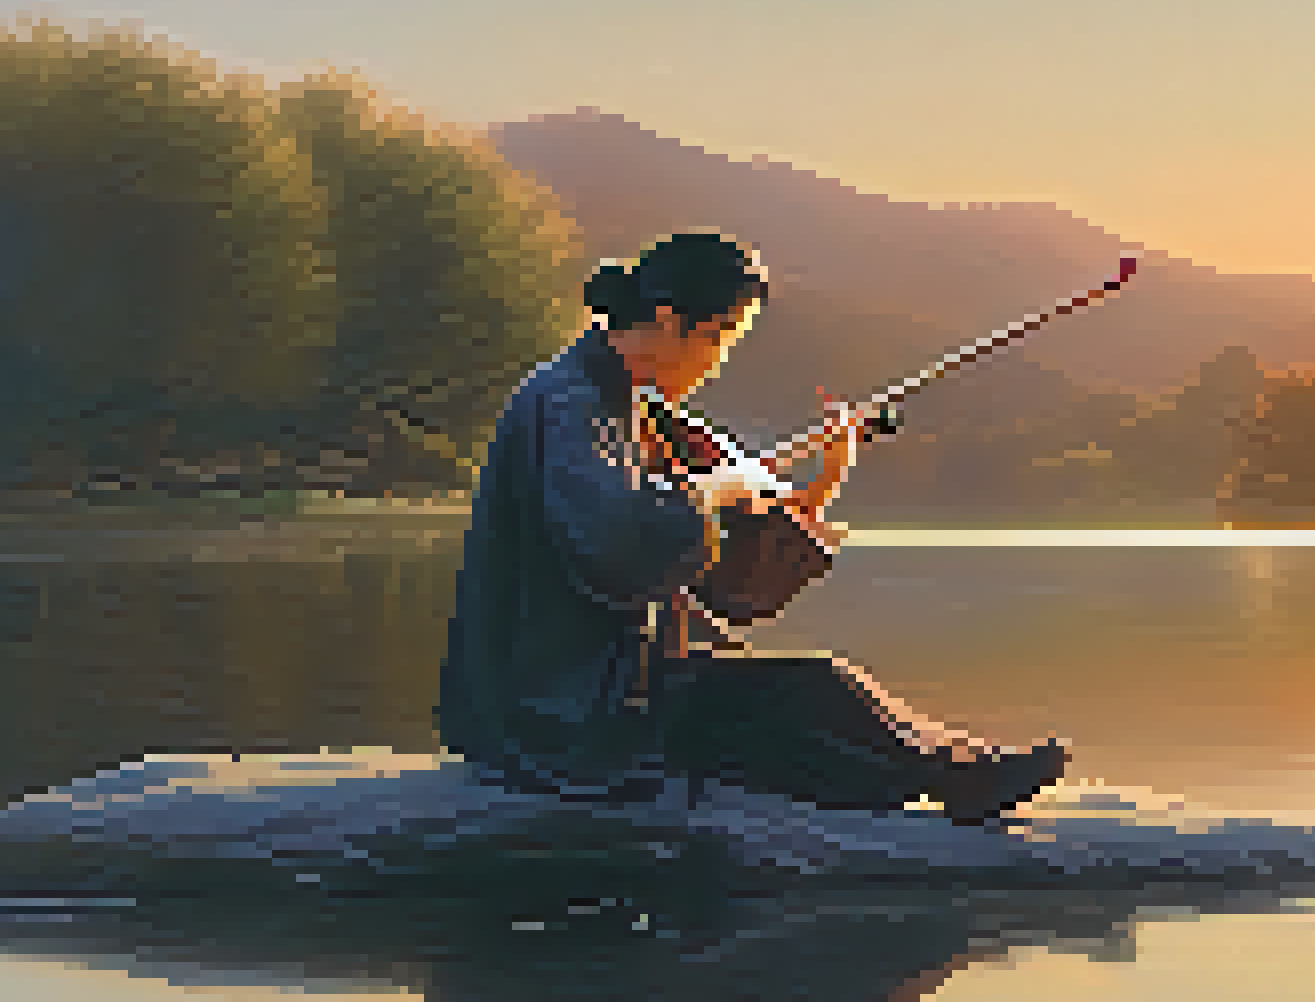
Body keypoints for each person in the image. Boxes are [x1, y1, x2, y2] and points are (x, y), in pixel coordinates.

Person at [438, 230, 1069, 824]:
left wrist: (825, 476)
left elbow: (724, 539)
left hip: (602, 685)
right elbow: (624, 539)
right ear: (664, 321)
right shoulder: (571, 403)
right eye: (717, 338)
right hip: (553, 706)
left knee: (805, 703)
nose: (717, 363)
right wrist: (719, 487)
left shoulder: (625, 402)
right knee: (811, 690)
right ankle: (959, 779)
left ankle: (952, 771)